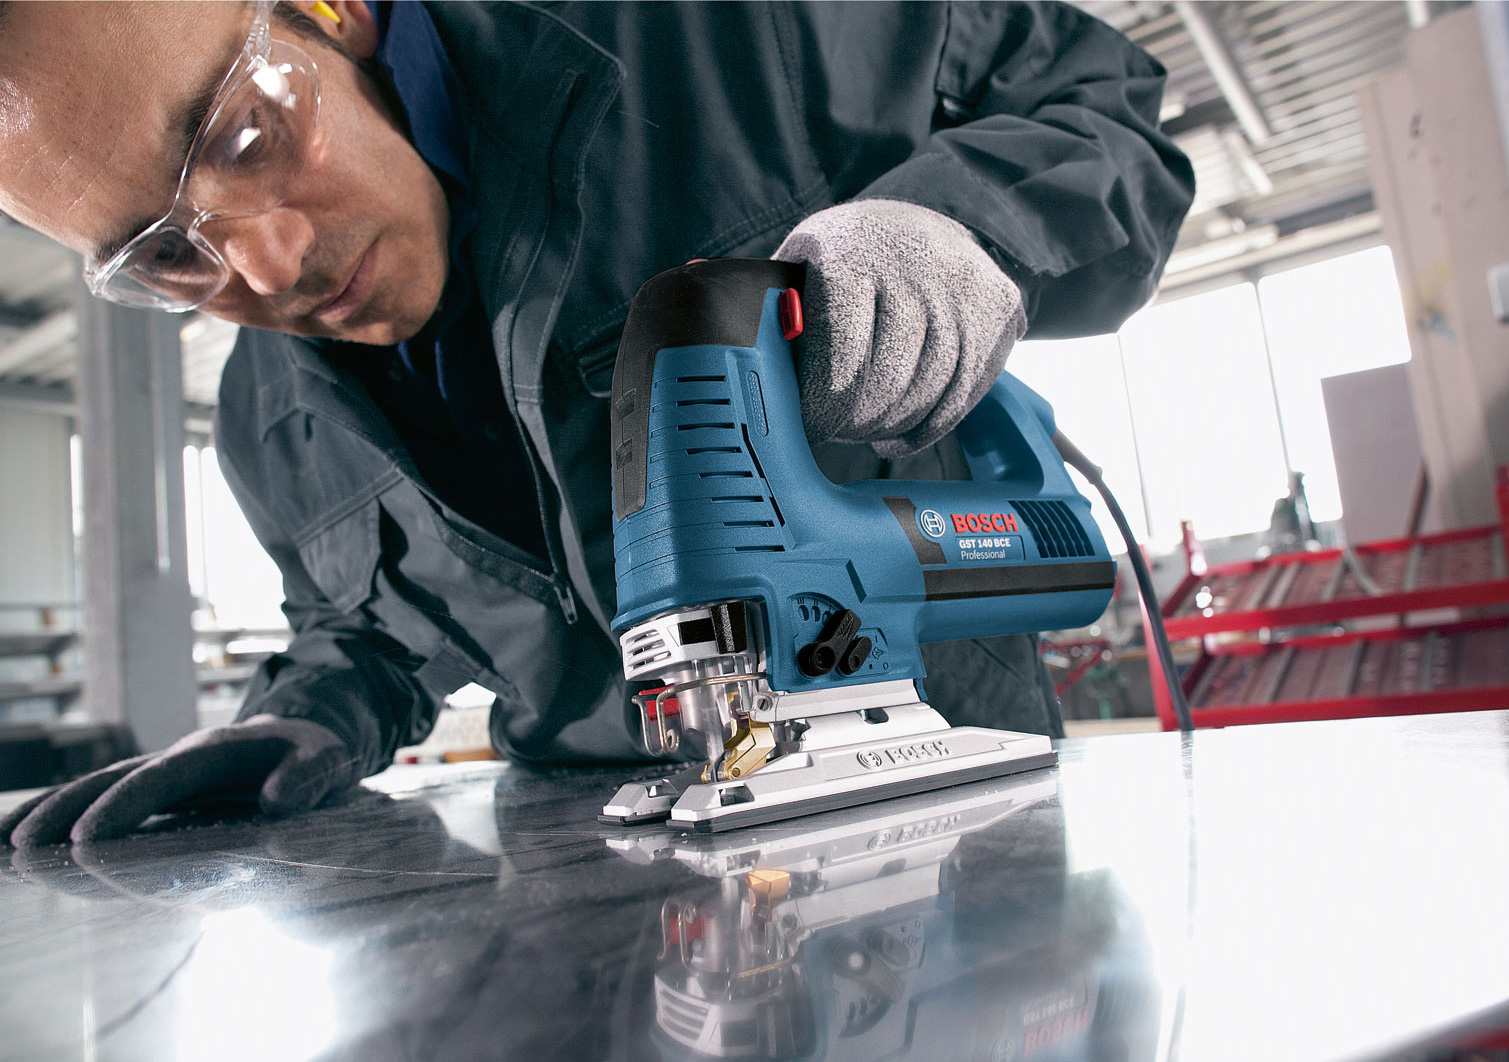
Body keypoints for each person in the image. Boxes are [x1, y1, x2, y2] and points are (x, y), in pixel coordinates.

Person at [0, 1, 1193, 846]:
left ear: (332, 9)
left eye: (244, 138)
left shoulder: (724, 31)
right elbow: (365, 632)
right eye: (169, 256)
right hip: (597, 880)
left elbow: (1108, 112)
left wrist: (960, 221)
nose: (268, 266)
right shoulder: (270, 416)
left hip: (951, 813)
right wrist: (302, 717)